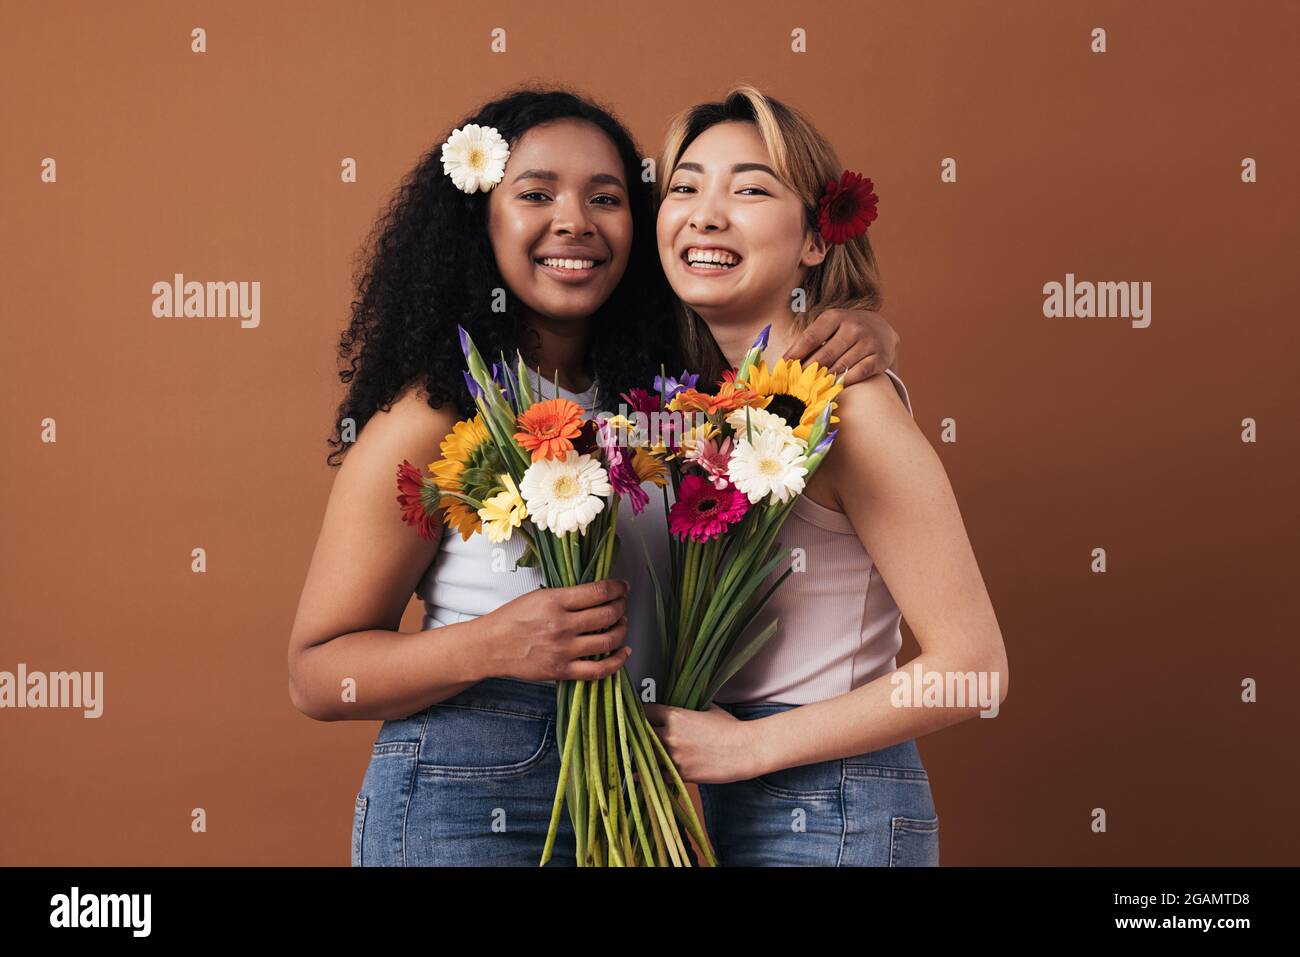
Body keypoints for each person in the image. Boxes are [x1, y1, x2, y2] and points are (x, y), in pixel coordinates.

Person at [286, 87, 902, 866]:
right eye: (536, 194)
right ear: (481, 220)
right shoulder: (438, 413)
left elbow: (780, 348)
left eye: (605, 198)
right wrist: (495, 645)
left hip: (635, 790)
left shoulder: (665, 398)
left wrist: (865, 327)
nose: (574, 221)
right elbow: (316, 672)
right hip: (471, 787)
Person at [644, 85, 1008, 866]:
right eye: (684, 185)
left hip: (830, 804)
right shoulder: (697, 401)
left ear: (816, 238)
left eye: (748, 188)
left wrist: (747, 750)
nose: (706, 213)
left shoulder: (854, 406)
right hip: (721, 799)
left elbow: (973, 669)